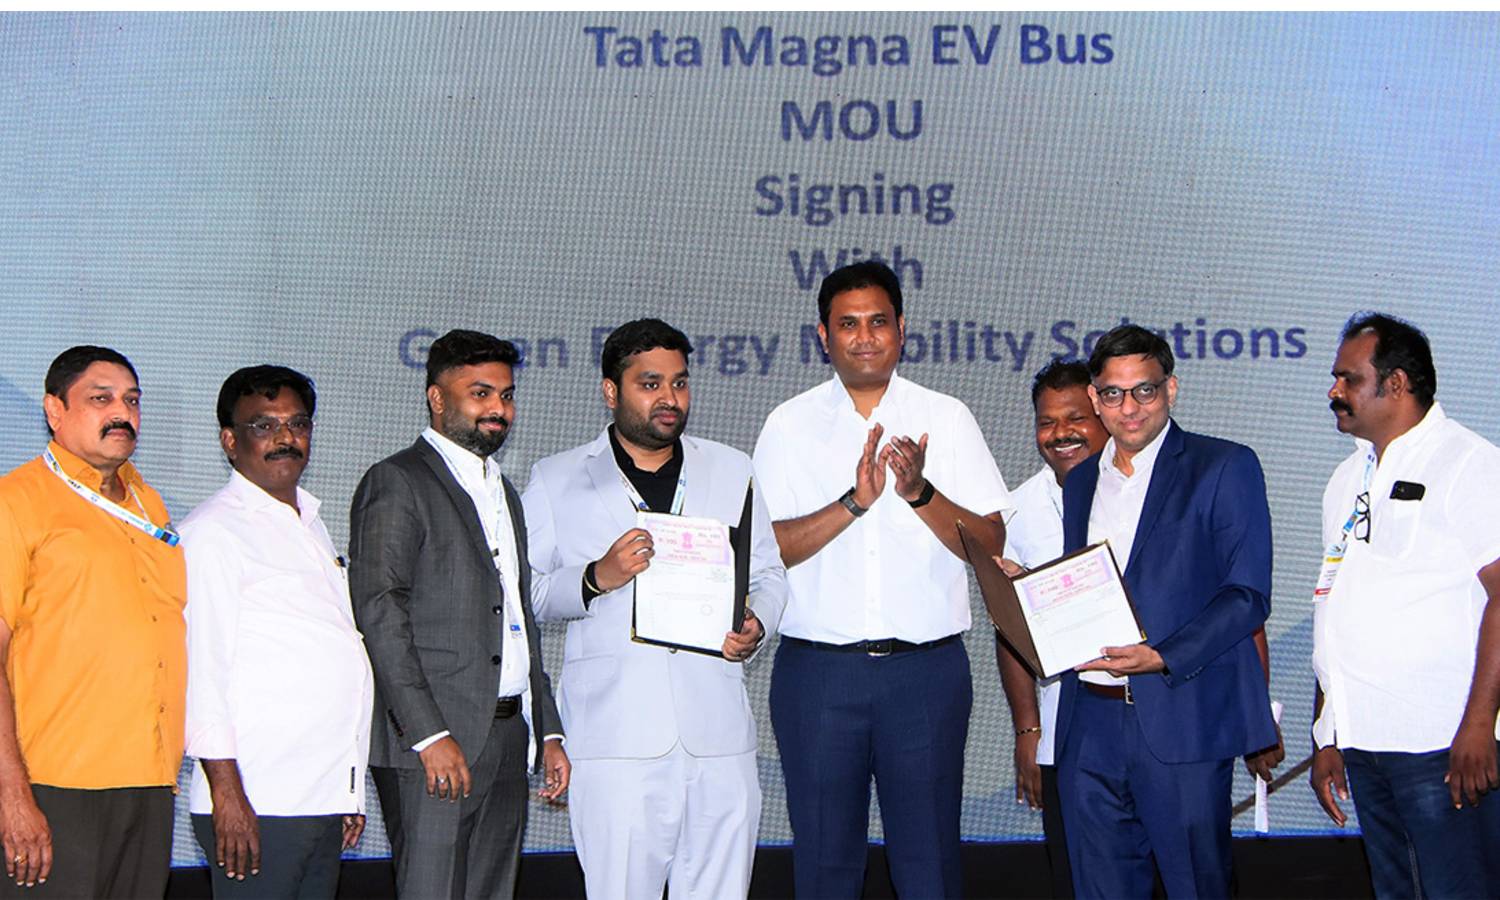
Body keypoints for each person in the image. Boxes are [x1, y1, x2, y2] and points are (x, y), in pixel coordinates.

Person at [752, 261, 1012, 896]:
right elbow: (764, 549)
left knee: (929, 866)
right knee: (824, 866)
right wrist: (853, 503)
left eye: (878, 322)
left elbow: (991, 543)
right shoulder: (789, 423)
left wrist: (920, 492)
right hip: (819, 676)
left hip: (925, 675)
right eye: (848, 324)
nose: (864, 337)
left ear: (901, 329)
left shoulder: (946, 417)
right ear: (823, 335)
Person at [521, 318, 787, 899]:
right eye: (650, 384)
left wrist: (758, 623)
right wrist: (595, 577)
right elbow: (525, 597)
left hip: (718, 735)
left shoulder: (732, 469)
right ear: (610, 391)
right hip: (614, 740)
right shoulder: (555, 478)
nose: (670, 398)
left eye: (679, 383)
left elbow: (769, 574)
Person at [1054, 324, 1277, 899]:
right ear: (1094, 398)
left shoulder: (1224, 466)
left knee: (1195, 887)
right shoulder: (1080, 482)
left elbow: (1247, 595)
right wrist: (1030, 592)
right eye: (1112, 393)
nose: (1128, 408)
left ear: (1170, 389)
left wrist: (1161, 656)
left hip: (1182, 715)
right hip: (1090, 721)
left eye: (1144, 390)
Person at [349, 329, 568, 899]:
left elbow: (519, 618)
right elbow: (379, 613)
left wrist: (547, 730)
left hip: (508, 736)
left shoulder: (504, 492)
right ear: (437, 398)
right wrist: (428, 735)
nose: (498, 408)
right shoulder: (398, 480)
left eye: (507, 395)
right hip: (435, 742)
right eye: (480, 393)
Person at [1309, 313, 1500, 898]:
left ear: (1395, 384)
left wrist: (1479, 726)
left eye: (1348, 378)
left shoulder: (1469, 463)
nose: (1334, 390)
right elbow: (1333, 603)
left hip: (1441, 743)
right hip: (1363, 743)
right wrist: (1328, 734)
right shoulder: (1346, 478)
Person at [180, 365, 374, 897]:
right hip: (258, 802)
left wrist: (346, 792)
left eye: (298, 423)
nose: (285, 437)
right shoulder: (213, 533)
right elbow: (201, 675)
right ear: (230, 441)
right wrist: (228, 796)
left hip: (317, 799)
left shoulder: (309, 522)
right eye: (264, 426)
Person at [0, 346, 185, 897]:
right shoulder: (16, 500)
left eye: (132, 400)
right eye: (100, 399)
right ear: (54, 410)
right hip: (56, 786)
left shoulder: (150, 505)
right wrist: (12, 794)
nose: (122, 412)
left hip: (150, 783)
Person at [994, 360, 1108, 899]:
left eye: (1076, 418)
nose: (1061, 433)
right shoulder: (1017, 512)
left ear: (1104, 414)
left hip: (1152, 730)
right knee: (1076, 878)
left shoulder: (1141, 493)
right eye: (1047, 421)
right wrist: (1029, 732)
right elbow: (1010, 632)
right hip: (1065, 736)